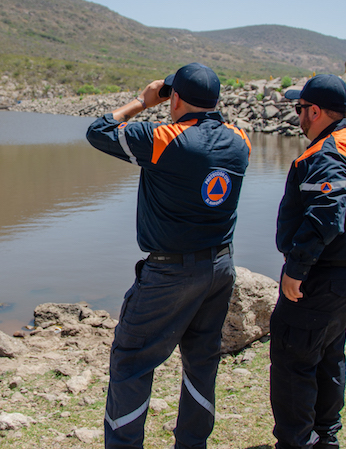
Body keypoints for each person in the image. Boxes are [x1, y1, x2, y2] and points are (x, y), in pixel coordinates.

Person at [86, 63, 252, 449]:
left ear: (174, 98)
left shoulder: (163, 139)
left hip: (170, 274)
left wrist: (142, 102)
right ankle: (192, 444)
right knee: (202, 360)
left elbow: (98, 131)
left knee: (131, 362)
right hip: (219, 267)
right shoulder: (239, 140)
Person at [271, 74, 346, 449]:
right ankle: (324, 437)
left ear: (314, 111)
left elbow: (328, 212)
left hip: (320, 278)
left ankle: (296, 441)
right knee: (329, 355)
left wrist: (296, 269)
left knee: (293, 361)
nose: (298, 115)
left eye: (300, 108)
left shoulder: (328, 151)